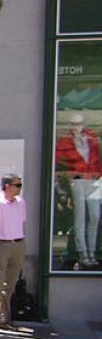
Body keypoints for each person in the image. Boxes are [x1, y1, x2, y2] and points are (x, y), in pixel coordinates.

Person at [55, 112, 101, 267]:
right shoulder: (65, 142)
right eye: (74, 124)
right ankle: (83, 253)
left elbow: (97, 158)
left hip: (93, 180)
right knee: (80, 218)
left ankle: (92, 251)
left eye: (80, 123)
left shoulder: (91, 137)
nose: (77, 127)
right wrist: (68, 175)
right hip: (78, 181)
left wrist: (99, 175)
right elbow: (57, 162)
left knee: (94, 216)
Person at [0, 173, 25, 332]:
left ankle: (5, 318)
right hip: (1, 245)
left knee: (10, 283)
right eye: (18, 185)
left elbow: (21, 221)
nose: (20, 189)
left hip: (18, 243)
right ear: (7, 186)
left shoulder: (21, 202)